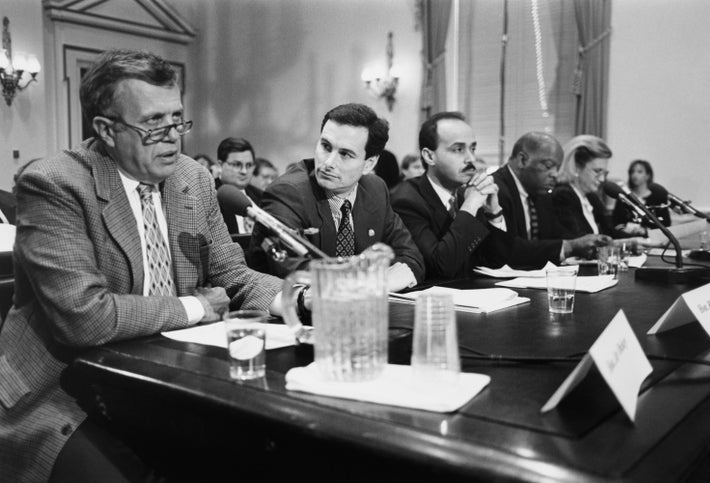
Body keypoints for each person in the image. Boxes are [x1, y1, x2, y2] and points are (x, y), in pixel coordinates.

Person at [0, 49, 302, 482]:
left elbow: (232, 276)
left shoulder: (191, 179)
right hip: (61, 388)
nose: (173, 136)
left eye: (177, 118)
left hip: (164, 380)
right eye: (153, 124)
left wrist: (301, 298)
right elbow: (83, 319)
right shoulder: (55, 185)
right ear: (106, 129)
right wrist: (196, 307)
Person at [248, 103, 424, 292]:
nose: (328, 162)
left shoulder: (375, 189)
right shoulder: (287, 192)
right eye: (325, 146)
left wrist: (383, 282)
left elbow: (411, 256)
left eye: (345, 154)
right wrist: (370, 281)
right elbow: (292, 269)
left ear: (369, 164)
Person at [391, 112, 511, 280]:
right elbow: (440, 267)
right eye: (458, 149)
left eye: (473, 148)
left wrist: (494, 213)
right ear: (429, 156)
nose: (471, 158)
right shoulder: (406, 200)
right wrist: (469, 206)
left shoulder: (465, 194)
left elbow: (495, 263)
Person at [493, 132, 611, 268]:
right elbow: (506, 249)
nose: (555, 174)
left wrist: (585, 245)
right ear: (522, 160)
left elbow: (555, 236)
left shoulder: (541, 193)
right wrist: (568, 247)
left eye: (557, 168)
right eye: (548, 166)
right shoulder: (496, 190)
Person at [552, 135, 623, 238]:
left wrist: (641, 240)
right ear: (576, 167)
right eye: (597, 171)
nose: (602, 179)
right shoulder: (562, 196)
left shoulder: (592, 198)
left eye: (605, 173)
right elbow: (579, 241)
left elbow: (609, 233)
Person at [215, 137, 264, 234]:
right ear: (220, 165)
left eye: (249, 165)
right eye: (237, 165)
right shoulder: (209, 194)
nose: (244, 171)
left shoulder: (261, 196)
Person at [611, 159, 671, 235]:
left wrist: (646, 231)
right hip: (629, 238)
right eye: (632, 172)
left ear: (648, 175)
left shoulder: (658, 197)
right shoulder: (624, 197)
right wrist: (625, 228)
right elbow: (616, 224)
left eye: (639, 172)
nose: (635, 175)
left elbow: (666, 224)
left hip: (654, 239)